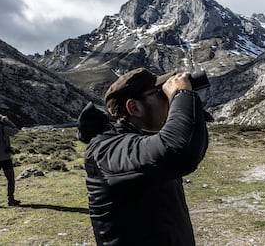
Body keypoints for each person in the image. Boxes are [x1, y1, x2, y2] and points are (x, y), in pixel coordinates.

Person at [77, 68, 209, 245]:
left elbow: (192, 145)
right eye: (159, 92)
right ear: (134, 107)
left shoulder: (144, 142)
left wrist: (186, 101)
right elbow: (181, 151)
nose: (166, 98)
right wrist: (181, 94)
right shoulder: (107, 149)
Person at [0, 114, 20, 207]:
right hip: (5, 158)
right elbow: (16, 130)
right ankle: (11, 200)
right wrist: (8, 121)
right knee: (10, 179)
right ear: (1, 120)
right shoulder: (3, 128)